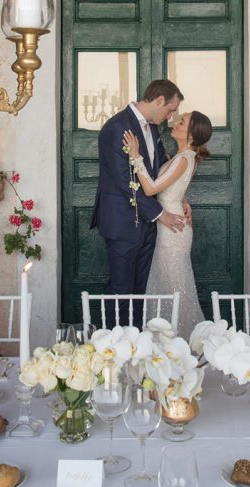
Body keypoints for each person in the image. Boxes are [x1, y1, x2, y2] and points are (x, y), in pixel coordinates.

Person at [90, 79, 188, 328]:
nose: (170, 116)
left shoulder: (152, 128)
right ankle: (115, 348)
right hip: (122, 223)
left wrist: (180, 195)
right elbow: (124, 180)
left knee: (141, 289)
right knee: (121, 289)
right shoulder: (116, 128)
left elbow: (160, 168)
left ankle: (137, 345)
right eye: (170, 109)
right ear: (158, 101)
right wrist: (160, 214)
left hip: (146, 225)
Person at [121, 110, 212, 338]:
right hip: (169, 226)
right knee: (168, 288)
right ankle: (169, 341)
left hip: (173, 232)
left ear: (191, 134)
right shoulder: (182, 157)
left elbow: (151, 189)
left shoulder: (183, 159)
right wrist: (183, 199)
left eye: (182, 122)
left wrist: (135, 155)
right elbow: (172, 189)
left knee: (175, 291)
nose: (176, 122)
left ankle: (185, 342)